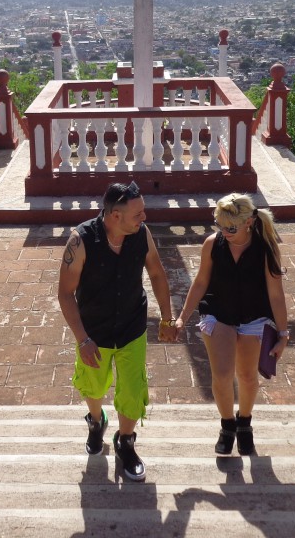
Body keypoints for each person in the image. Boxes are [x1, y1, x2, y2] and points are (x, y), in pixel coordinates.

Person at [58, 181, 176, 482]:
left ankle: (126, 442)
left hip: (131, 327)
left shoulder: (142, 235)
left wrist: (167, 318)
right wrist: (82, 339)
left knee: (133, 391)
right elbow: (65, 294)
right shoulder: (80, 241)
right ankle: (96, 421)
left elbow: (157, 273)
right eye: (137, 214)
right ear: (115, 217)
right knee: (93, 387)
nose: (144, 218)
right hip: (93, 332)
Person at [172, 193, 289, 455]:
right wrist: (182, 317)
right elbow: (201, 281)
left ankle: (244, 422)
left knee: (247, 376)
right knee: (223, 374)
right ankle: (227, 425)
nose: (225, 232)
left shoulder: (266, 248)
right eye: (220, 226)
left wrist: (283, 334)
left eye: (231, 228)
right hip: (218, 311)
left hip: (253, 315)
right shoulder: (213, 244)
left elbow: (275, 293)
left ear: (248, 222)